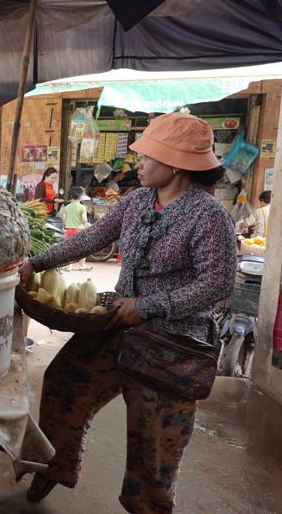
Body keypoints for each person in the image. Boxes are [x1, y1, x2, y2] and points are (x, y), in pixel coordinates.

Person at [18, 112, 236, 513]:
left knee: (152, 443)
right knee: (65, 382)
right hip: (116, 320)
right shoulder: (137, 201)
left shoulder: (210, 217)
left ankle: (148, 507)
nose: (138, 162)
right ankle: (56, 464)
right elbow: (92, 237)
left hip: (173, 342)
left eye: (147, 155)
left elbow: (217, 284)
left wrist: (151, 306)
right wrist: (36, 263)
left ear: (175, 163)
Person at [61, 186, 91, 271]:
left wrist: (66, 226)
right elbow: (84, 220)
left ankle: (69, 266)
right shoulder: (82, 207)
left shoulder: (67, 207)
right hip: (79, 230)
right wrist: (84, 225)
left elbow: (64, 219)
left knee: (69, 248)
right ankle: (82, 265)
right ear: (81, 197)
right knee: (83, 248)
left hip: (69, 230)